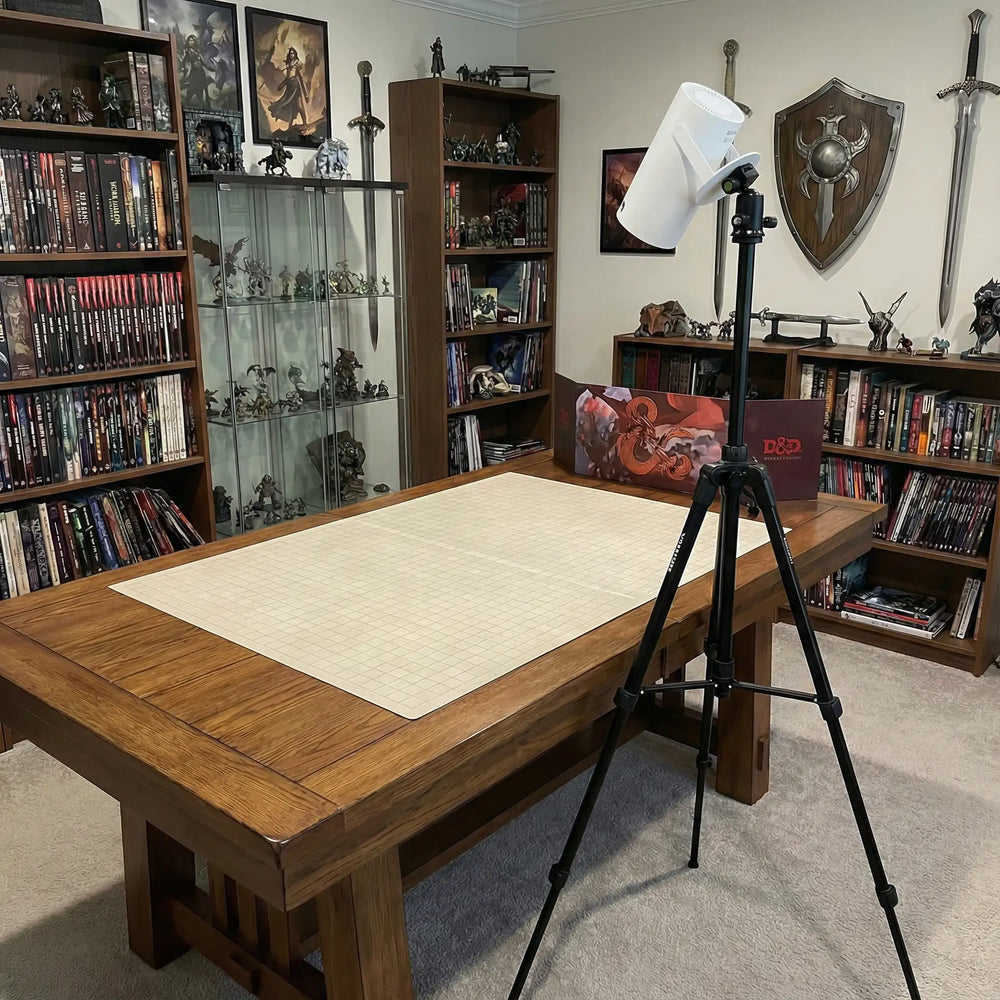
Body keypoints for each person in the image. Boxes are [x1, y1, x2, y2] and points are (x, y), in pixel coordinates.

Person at [268, 46, 309, 130]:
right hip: (289, 86)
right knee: (291, 106)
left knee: (298, 105)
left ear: (295, 54)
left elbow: (301, 78)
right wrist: (282, 84)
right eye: (290, 54)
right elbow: (288, 77)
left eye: (293, 53)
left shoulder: (297, 63)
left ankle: (305, 123)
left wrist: (305, 93)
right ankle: (290, 125)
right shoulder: (289, 64)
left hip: (295, 86)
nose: (291, 55)